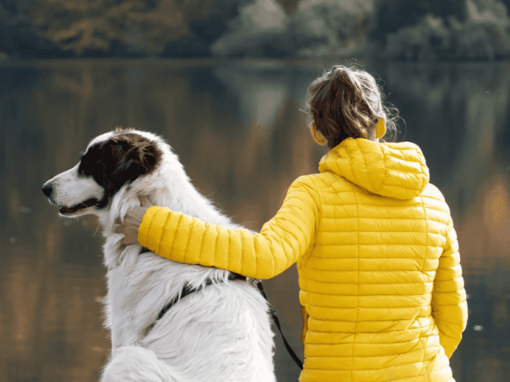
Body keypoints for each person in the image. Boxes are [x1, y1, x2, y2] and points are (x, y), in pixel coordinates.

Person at [118, 65, 468, 382]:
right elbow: (454, 318)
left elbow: (262, 256)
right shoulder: (432, 200)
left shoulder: (313, 194)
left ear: (317, 132)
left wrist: (153, 226)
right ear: (381, 123)